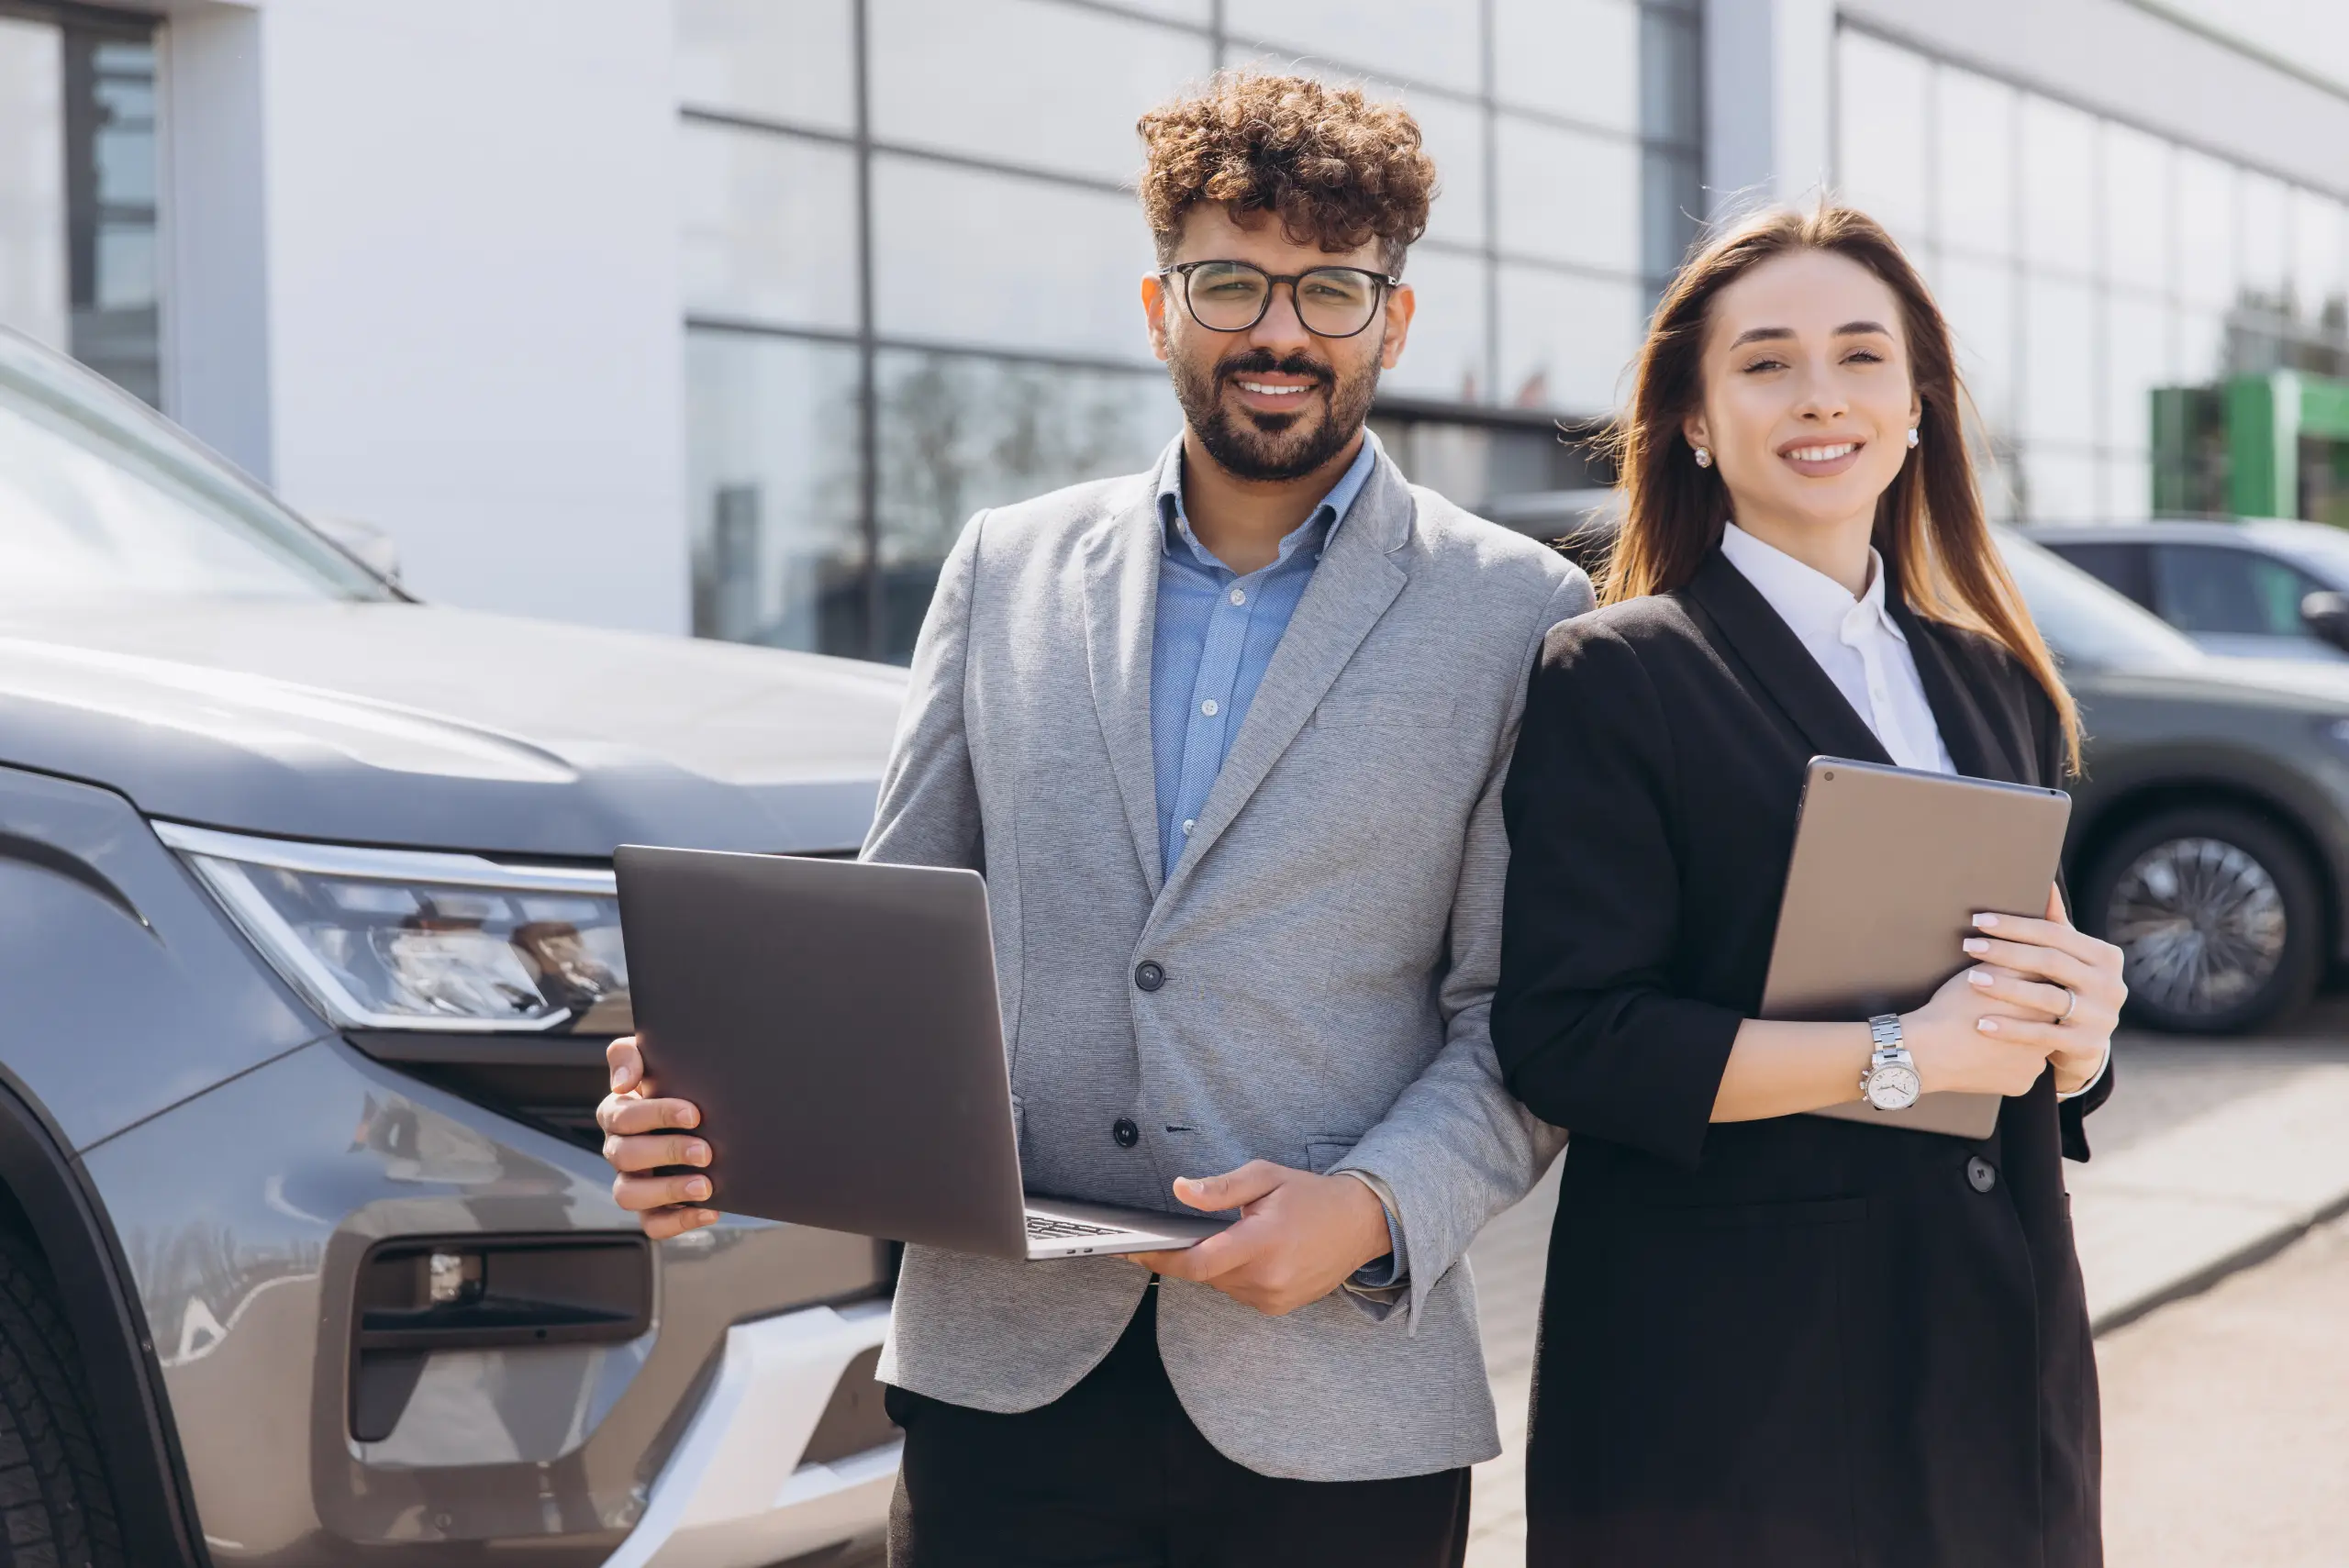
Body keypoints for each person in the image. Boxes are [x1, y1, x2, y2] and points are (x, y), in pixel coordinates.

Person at [599, 72, 1591, 1566]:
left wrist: (1375, 1207)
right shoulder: (1005, 563)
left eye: (1331, 289)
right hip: (1005, 1381)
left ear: (1393, 319)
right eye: (1230, 282)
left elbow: (1519, 1016)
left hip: (1333, 1398)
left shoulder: (1521, 610)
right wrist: (707, 1119)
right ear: (1159, 304)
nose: (1278, 331)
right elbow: (885, 961)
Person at [1490, 202, 2125, 1568]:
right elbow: (1571, 1042)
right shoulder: (1620, 676)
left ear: (1916, 409)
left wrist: (2080, 1036)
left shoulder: (1995, 682)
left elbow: (2015, 1022)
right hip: (1737, 1387)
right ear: (1698, 420)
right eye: (1767, 362)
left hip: (1996, 1360)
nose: (1820, 395)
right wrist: (1901, 1054)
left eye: (1860, 357)